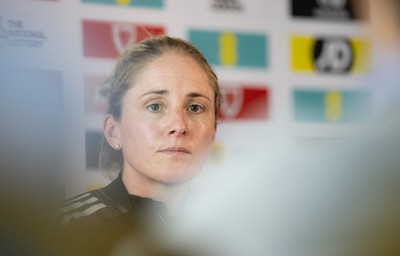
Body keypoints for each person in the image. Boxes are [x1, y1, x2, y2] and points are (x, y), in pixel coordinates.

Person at [55, 35, 222, 255]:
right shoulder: (68, 228)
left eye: (195, 108)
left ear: (213, 132)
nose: (179, 125)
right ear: (114, 131)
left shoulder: (238, 231)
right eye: (154, 106)